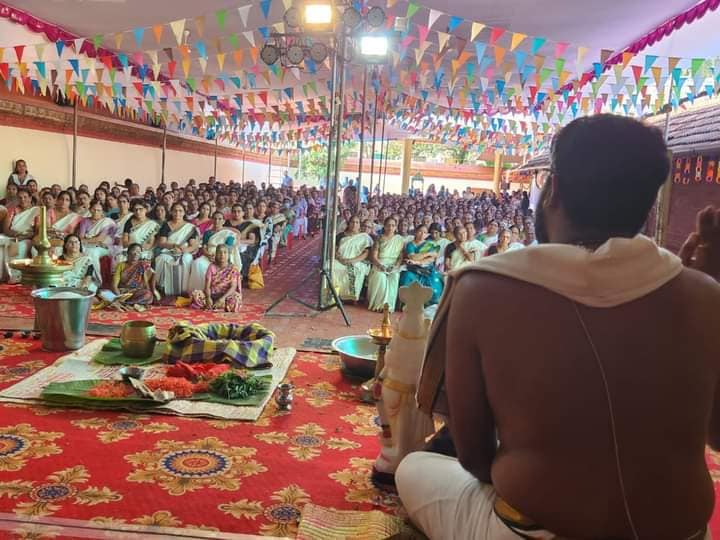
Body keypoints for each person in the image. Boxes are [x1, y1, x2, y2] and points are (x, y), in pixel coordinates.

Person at [403, 115, 720, 540]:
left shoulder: (481, 287)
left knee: (414, 467)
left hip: (533, 531)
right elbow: (716, 436)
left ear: (552, 190)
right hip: (683, 533)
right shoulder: (704, 295)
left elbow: (475, 457)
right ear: (647, 208)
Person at [187, 211, 242, 293]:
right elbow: (204, 247)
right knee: (197, 263)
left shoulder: (228, 233)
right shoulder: (207, 233)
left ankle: (216, 291)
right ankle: (199, 291)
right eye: (215, 218)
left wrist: (218, 257)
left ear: (223, 221)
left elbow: (227, 249)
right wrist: (208, 254)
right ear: (212, 220)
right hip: (209, 255)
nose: (217, 221)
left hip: (222, 257)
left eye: (220, 219)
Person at [153, 202, 198, 296]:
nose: (177, 213)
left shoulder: (189, 227)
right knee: (161, 259)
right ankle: (162, 288)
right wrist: (174, 246)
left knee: (186, 259)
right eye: (175, 211)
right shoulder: (166, 225)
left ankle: (184, 290)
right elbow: (162, 242)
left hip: (184, 251)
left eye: (180, 211)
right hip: (169, 250)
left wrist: (183, 250)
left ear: (184, 213)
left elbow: (193, 245)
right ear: (171, 212)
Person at [399, 224, 444, 304]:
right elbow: (412, 257)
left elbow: (431, 259)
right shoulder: (410, 244)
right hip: (413, 269)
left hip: (427, 269)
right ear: (416, 232)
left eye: (425, 232)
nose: (422, 234)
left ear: (427, 234)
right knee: (406, 277)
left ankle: (427, 306)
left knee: (434, 287)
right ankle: (409, 304)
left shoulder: (430, 244)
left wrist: (418, 261)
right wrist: (427, 254)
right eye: (420, 231)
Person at [367, 217, 405, 311]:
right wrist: (380, 265)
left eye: (393, 225)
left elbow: (400, 257)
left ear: (396, 227)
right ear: (384, 226)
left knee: (395, 276)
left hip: (393, 265)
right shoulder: (379, 238)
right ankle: (378, 306)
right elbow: (374, 257)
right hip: (380, 263)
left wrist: (396, 266)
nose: (390, 227)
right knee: (380, 277)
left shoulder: (399, 239)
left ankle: (389, 307)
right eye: (388, 225)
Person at [0, 189, 38, 282]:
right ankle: (2, 275)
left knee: (20, 246)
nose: (22, 200)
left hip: (28, 238)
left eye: (25, 197)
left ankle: (15, 276)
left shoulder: (36, 210)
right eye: (20, 197)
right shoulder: (13, 210)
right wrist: (16, 235)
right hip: (12, 235)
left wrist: (24, 236)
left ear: (30, 198)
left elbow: (37, 231)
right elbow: (6, 229)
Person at [190, 244, 242, 312]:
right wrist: (208, 298)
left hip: (226, 296)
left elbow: (233, 287)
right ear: (216, 254)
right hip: (212, 295)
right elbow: (207, 286)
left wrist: (222, 299)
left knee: (236, 299)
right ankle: (216, 306)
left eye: (225, 252)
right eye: (219, 252)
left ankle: (219, 305)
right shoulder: (211, 267)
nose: (222, 255)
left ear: (229, 254)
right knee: (196, 295)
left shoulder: (233, 269)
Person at [332, 215, 372, 302]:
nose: (354, 224)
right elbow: (334, 249)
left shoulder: (364, 237)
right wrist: (340, 259)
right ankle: (334, 294)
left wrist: (352, 261)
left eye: (357, 222)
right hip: (340, 259)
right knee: (330, 266)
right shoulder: (341, 235)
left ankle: (350, 297)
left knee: (355, 270)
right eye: (352, 222)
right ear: (348, 224)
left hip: (357, 261)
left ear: (359, 225)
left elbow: (366, 253)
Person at [105, 243, 156, 310]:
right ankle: (130, 304)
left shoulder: (142, 265)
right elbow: (114, 285)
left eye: (138, 252)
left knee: (148, 295)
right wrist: (120, 296)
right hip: (122, 292)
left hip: (136, 292)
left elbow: (147, 283)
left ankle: (126, 304)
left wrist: (151, 293)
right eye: (134, 250)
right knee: (106, 294)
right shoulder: (121, 265)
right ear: (128, 253)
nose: (135, 254)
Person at [77, 201, 116, 274]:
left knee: (93, 252)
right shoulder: (85, 221)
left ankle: (96, 278)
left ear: (102, 212)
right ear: (90, 210)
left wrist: (87, 240)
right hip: (87, 245)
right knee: (81, 249)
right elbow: (80, 238)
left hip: (104, 247)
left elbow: (100, 239)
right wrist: (91, 241)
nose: (96, 212)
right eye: (93, 209)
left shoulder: (106, 222)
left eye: (98, 210)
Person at [48, 190, 81, 256]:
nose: (63, 202)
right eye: (61, 199)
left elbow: (72, 235)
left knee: (58, 250)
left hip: (64, 242)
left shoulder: (75, 217)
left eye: (67, 200)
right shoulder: (50, 211)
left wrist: (57, 235)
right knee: (36, 249)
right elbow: (47, 229)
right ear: (57, 200)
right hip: (48, 239)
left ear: (70, 203)